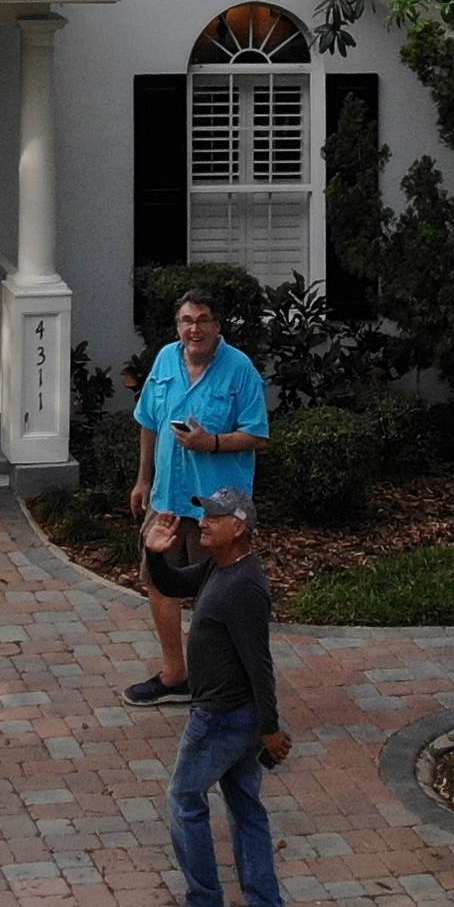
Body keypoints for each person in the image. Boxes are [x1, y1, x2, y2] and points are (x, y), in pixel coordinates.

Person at [154, 486, 290, 907]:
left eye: (214, 517)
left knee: (184, 798)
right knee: (245, 806)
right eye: (204, 515)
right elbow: (174, 584)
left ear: (240, 527)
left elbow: (260, 661)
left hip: (222, 717)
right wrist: (158, 555)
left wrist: (269, 728)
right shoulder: (220, 565)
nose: (204, 523)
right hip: (234, 716)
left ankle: (204, 904)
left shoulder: (245, 588)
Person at [122, 287, 267, 705]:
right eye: (187, 321)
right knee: (159, 582)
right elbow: (148, 420)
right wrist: (143, 479)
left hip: (219, 506)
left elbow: (257, 435)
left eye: (203, 320)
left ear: (218, 326)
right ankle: (175, 675)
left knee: (220, 595)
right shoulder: (166, 358)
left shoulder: (240, 370)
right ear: (177, 327)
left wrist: (212, 444)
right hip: (169, 496)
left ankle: (223, 683)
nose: (194, 329)